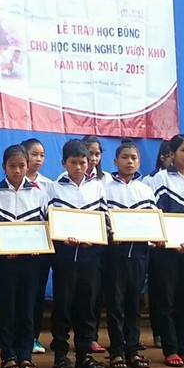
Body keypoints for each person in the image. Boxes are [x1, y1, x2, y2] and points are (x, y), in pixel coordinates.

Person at [0, 145, 48, 368]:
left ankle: (25, 355)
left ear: (27, 166)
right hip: (7, 263)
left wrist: (40, 248)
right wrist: (0, 251)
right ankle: (8, 355)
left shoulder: (39, 194)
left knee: (28, 307)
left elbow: (46, 227)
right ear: (4, 167)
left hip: (32, 262)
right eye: (12, 166)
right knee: (8, 307)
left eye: (21, 166)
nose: (17, 170)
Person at [47, 139, 108, 368]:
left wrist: (97, 237)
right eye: (73, 162)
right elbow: (48, 220)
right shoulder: (54, 188)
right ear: (64, 163)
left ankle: (84, 355)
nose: (79, 167)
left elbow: (104, 219)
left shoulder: (97, 187)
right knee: (63, 305)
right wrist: (61, 237)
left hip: (91, 256)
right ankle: (61, 355)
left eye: (83, 162)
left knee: (88, 306)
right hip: (64, 256)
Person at [149, 134, 184, 368]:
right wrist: (166, 240)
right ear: (171, 154)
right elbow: (154, 214)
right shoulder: (159, 179)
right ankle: (170, 349)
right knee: (166, 300)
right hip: (166, 252)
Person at [102, 140, 155, 368]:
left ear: (139, 162)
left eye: (133, 158)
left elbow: (153, 223)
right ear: (115, 161)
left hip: (139, 255)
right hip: (114, 254)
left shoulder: (146, 190)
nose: (129, 161)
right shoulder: (104, 188)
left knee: (134, 304)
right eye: (124, 157)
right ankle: (116, 351)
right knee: (115, 304)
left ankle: (133, 350)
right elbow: (100, 220)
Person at [22, 138, 54, 355]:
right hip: (16, 251)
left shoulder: (49, 185)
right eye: (34, 154)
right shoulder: (12, 183)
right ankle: (15, 337)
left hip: (41, 250)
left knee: (37, 293)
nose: (38, 159)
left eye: (42, 155)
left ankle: (33, 337)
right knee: (18, 295)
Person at [145, 139, 174, 349]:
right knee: (159, 290)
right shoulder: (151, 180)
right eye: (172, 154)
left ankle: (175, 337)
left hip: (182, 247)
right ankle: (159, 332)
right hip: (157, 245)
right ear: (163, 157)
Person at [81, 135, 108, 354]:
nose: (93, 158)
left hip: (101, 247)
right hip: (75, 248)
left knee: (95, 294)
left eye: (97, 154)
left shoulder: (106, 180)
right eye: (90, 153)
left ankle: (91, 337)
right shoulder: (62, 181)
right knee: (74, 295)